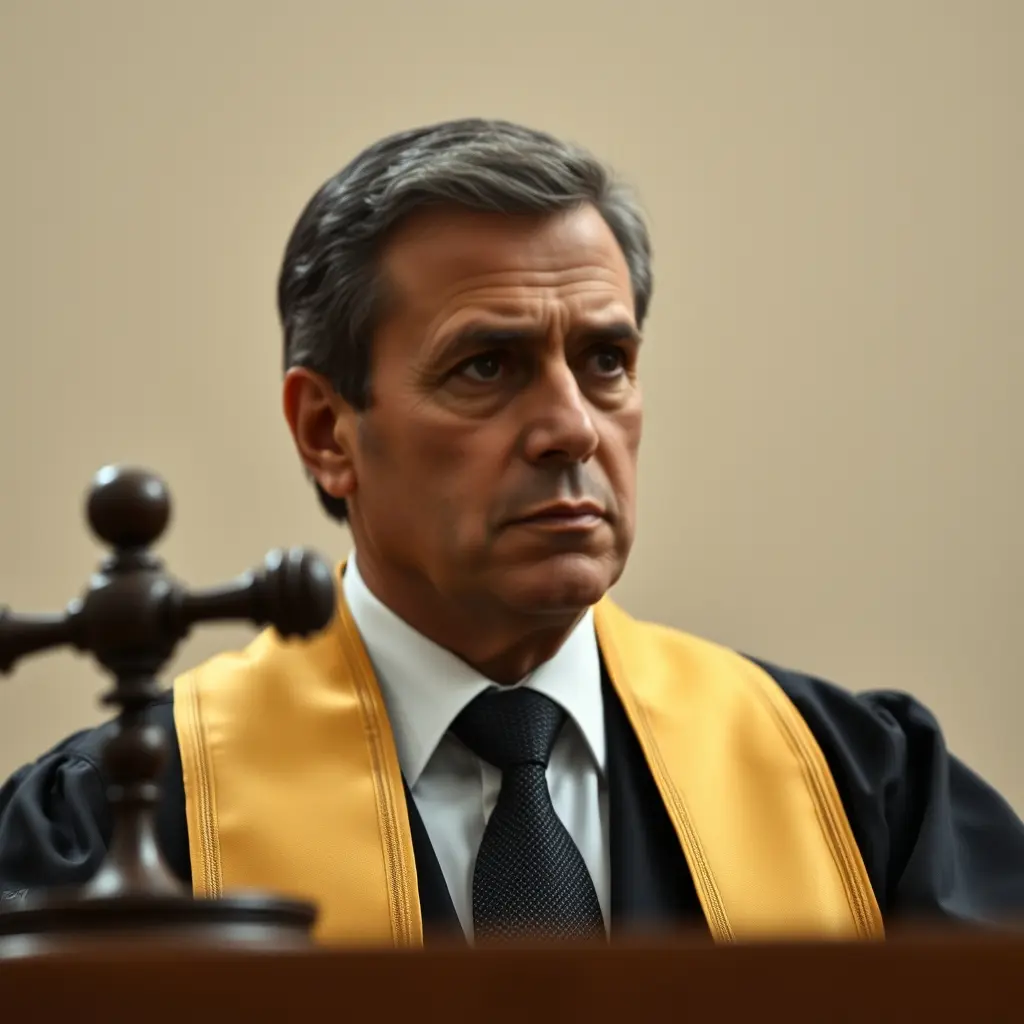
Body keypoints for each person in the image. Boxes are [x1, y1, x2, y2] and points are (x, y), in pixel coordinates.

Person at [2, 119, 1022, 946]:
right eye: (486, 366)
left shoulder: (857, 791)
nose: (572, 427)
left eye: (606, 360)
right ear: (327, 432)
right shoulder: (121, 829)